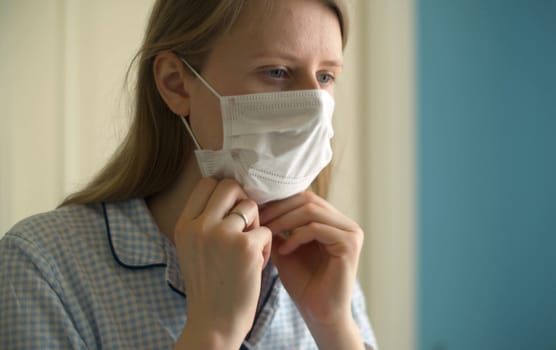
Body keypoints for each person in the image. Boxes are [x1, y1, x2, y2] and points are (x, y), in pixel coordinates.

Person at [0, 0, 377, 349]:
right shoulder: (43, 267)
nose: (314, 107)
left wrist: (332, 323)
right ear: (176, 83)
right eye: (277, 72)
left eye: (326, 77)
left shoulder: (320, 258)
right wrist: (212, 332)